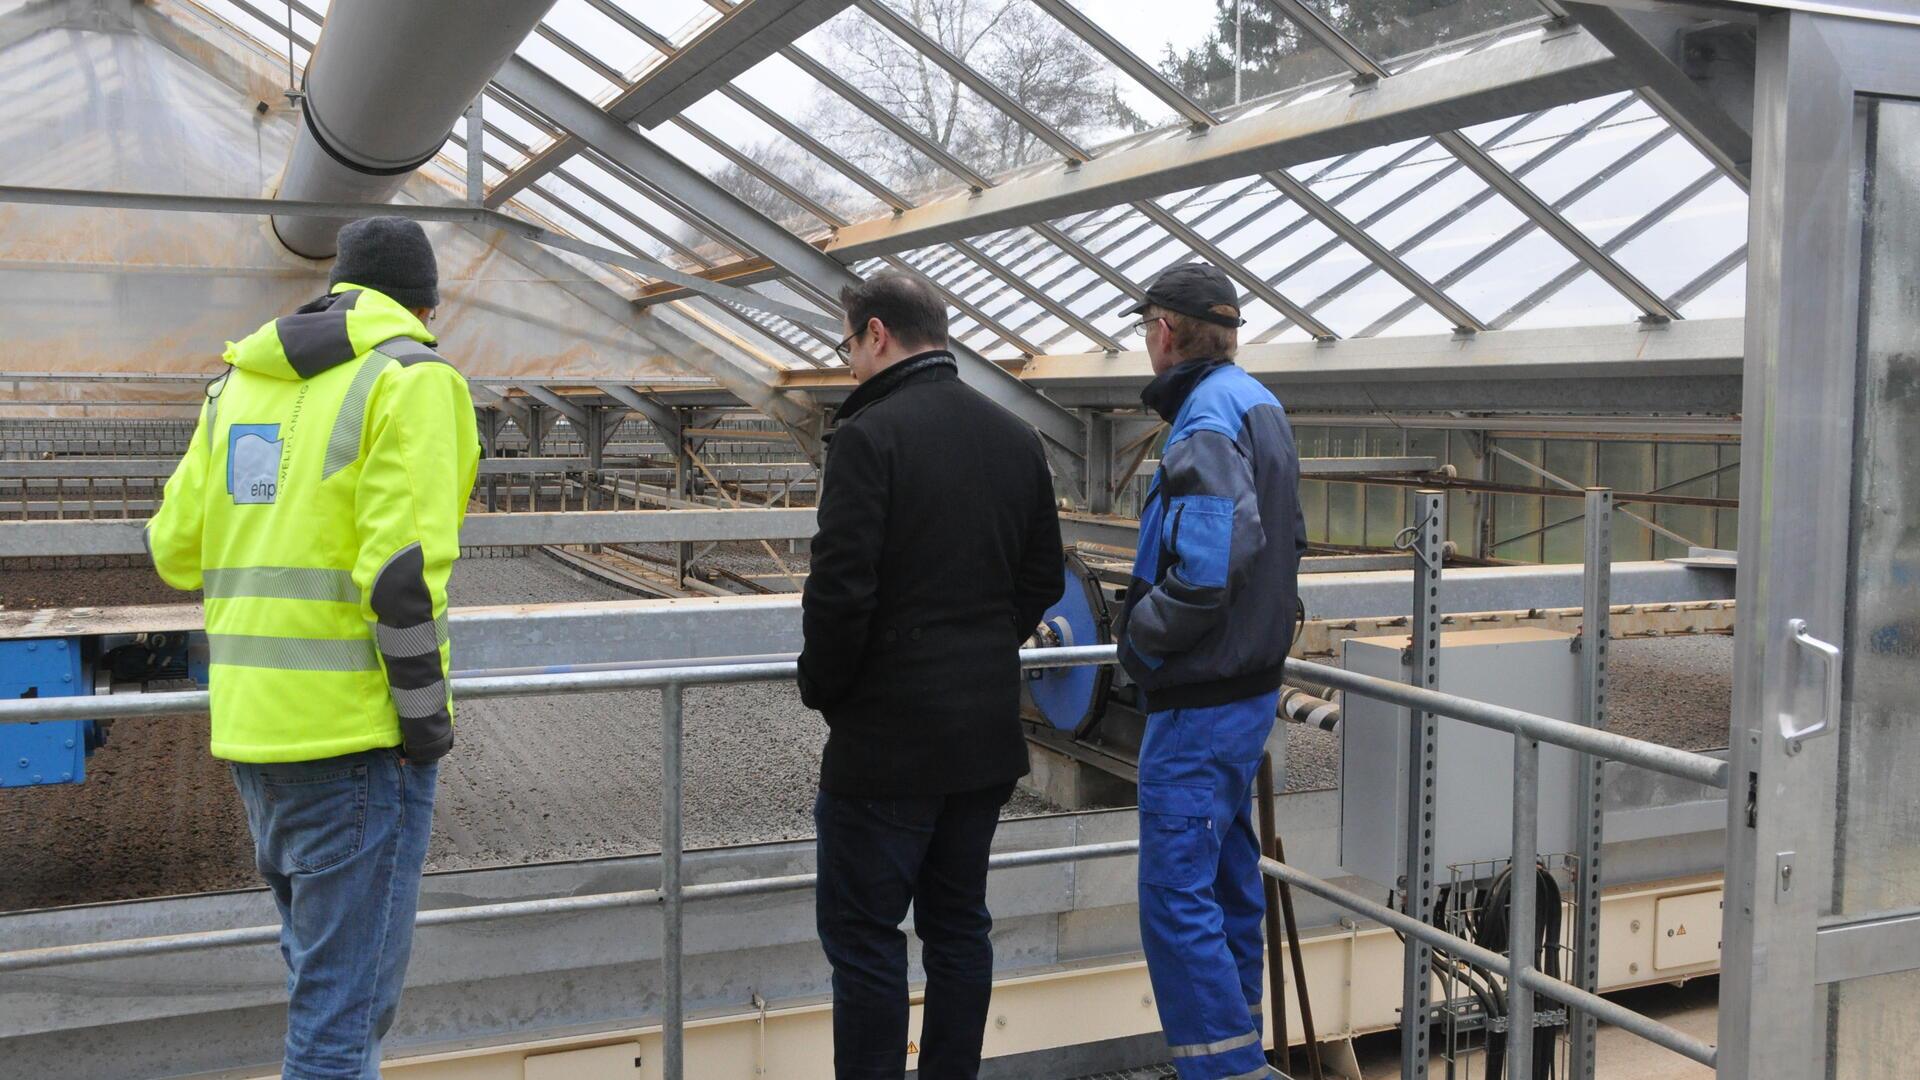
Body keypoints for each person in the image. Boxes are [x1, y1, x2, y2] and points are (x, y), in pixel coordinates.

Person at [146, 216, 479, 1079]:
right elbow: (402, 579)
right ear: (424, 304)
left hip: (254, 734)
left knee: (323, 987)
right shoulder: (410, 377)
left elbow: (174, 549)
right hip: (354, 743)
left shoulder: (238, 383)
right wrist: (425, 725)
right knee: (343, 1018)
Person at [798, 272, 1064, 1080]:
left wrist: (829, 687)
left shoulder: (870, 438)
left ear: (876, 334)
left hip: (885, 746)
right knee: (958, 928)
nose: (847, 365)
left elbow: (841, 591)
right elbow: (1043, 576)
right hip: (981, 740)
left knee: (867, 937)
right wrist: (983, 647)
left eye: (847, 344)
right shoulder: (1016, 437)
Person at [1114, 263, 1306, 1080]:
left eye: (1145, 328)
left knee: (1174, 896)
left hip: (1199, 700)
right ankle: (1240, 1048)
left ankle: (1228, 1074)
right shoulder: (1258, 402)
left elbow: (1204, 568)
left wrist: (1138, 644)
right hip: (1248, 691)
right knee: (1227, 882)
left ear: (1164, 331)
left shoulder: (1202, 421)